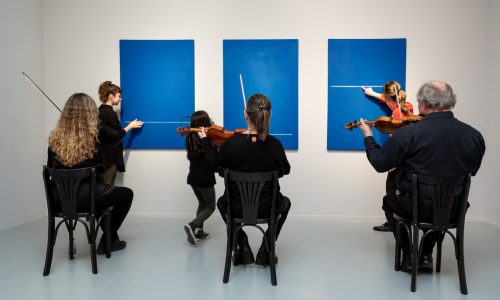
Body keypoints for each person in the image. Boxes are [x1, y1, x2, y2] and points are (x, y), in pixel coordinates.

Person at [358, 80, 485, 272]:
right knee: (441, 203)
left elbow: (380, 163)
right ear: (451, 103)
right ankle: (426, 254)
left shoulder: (408, 134)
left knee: (389, 200)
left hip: (413, 208)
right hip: (452, 210)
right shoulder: (474, 136)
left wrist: (368, 137)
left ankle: (409, 255)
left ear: (423, 104)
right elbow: (472, 172)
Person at [200, 93, 291, 266]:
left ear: (245, 114)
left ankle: (241, 243)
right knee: (285, 203)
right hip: (267, 209)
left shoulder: (231, 144)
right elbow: (285, 170)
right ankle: (267, 247)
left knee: (221, 203)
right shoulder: (275, 144)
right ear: (269, 114)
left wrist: (205, 140)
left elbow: (215, 166)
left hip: (236, 209)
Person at [47, 93, 134, 254]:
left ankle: (110, 238)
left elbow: (52, 172)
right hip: (90, 200)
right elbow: (116, 137)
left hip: (60, 201)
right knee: (126, 194)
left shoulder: (54, 141)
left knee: (106, 195)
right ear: (91, 112)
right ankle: (108, 239)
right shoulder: (97, 134)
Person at [362, 81, 415, 232]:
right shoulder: (407, 106)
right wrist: (371, 93)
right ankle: (395, 221)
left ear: (388, 97)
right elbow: (390, 101)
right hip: (408, 158)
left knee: (391, 192)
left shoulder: (398, 114)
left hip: (399, 158)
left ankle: (394, 223)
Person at [98, 81, 143, 185]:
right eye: (119, 96)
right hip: (109, 160)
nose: (120, 98)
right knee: (107, 190)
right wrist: (130, 126)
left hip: (102, 159)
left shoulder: (100, 111)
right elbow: (117, 136)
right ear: (110, 95)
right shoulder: (110, 113)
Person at [183, 111, 217, 246]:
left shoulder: (190, 137)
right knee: (210, 206)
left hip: (193, 178)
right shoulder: (206, 140)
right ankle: (192, 225)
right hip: (204, 179)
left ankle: (199, 232)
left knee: (202, 204)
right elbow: (212, 159)